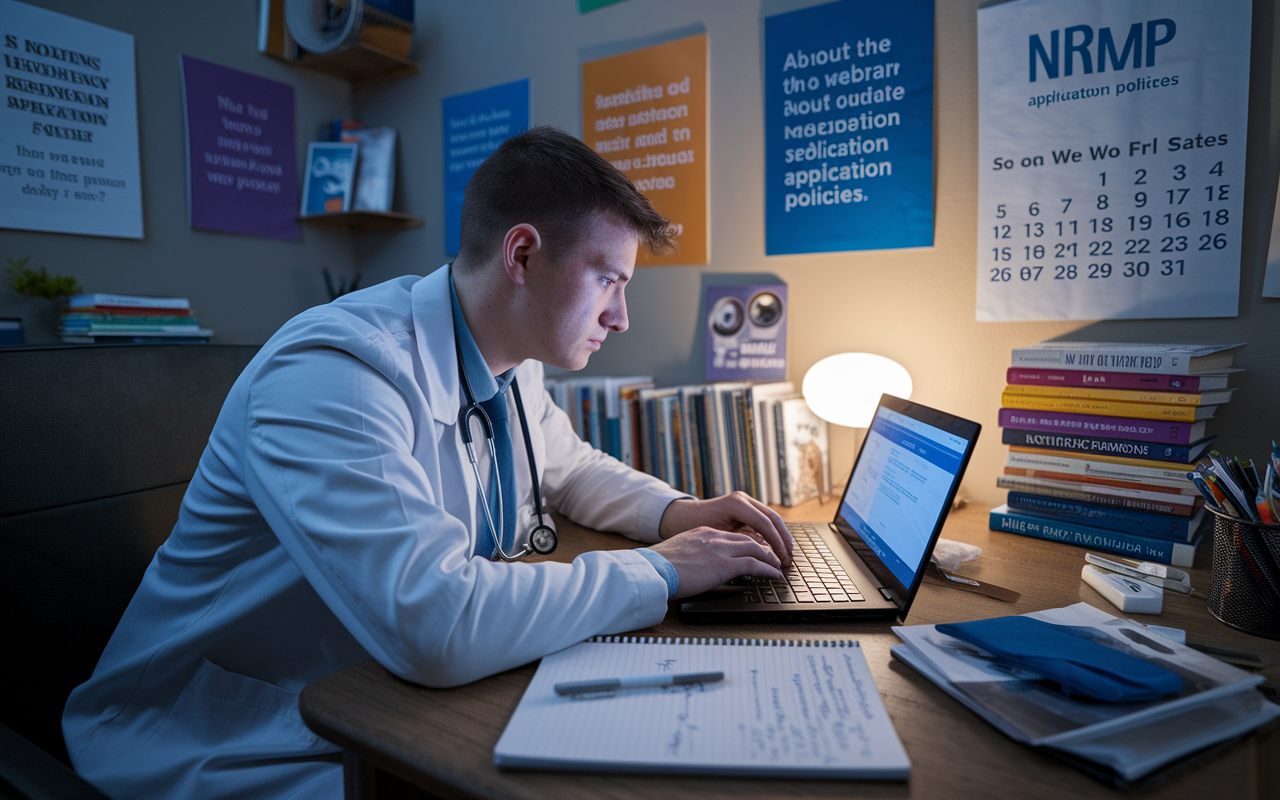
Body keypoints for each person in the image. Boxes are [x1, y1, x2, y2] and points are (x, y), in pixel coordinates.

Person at [62, 126, 793, 800]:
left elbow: (566, 466)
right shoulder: (335, 373)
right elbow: (434, 625)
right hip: (220, 732)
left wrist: (677, 513)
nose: (620, 316)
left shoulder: (509, 357)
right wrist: (661, 570)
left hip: (372, 693)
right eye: (609, 279)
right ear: (523, 256)